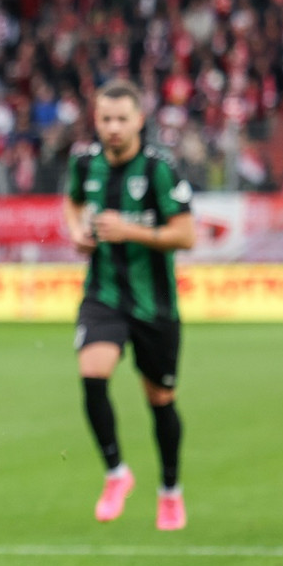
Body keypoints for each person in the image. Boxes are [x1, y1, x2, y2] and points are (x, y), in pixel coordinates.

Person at [61, 80, 196, 530]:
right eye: (105, 119)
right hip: (103, 294)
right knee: (92, 375)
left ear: (139, 120)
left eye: (122, 119)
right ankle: (117, 473)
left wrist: (129, 230)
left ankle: (170, 491)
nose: (113, 128)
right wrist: (79, 232)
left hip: (154, 304)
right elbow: (72, 203)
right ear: (95, 121)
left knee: (160, 401)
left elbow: (186, 235)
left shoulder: (159, 168)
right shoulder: (84, 162)